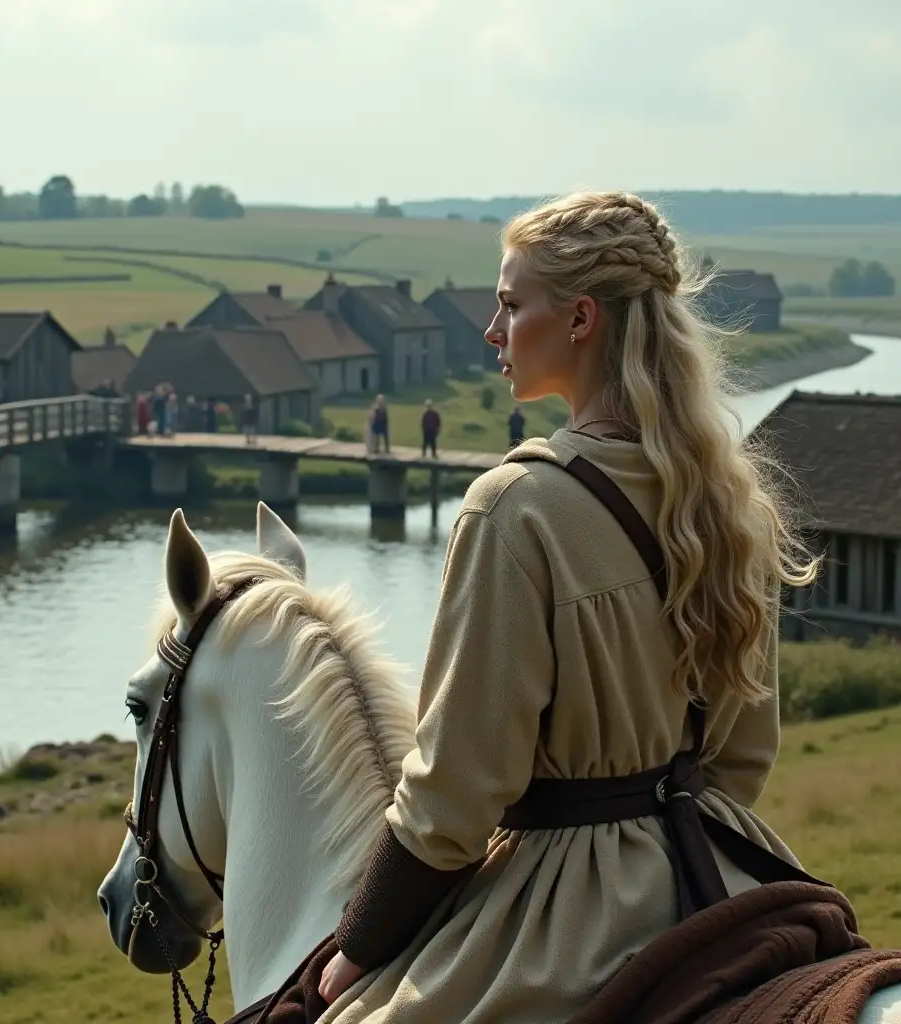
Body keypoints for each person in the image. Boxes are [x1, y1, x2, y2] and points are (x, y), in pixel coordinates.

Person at [317, 191, 821, 1022]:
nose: (492, 330)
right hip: (714, 872)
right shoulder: (732, 505)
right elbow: (741, 762)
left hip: (564, 913)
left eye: (512, 305)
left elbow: (454, 797)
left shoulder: (512, 509)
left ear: (581, 318)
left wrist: (360, 943)